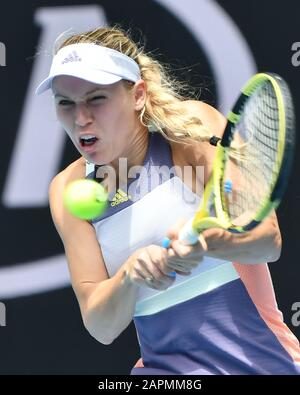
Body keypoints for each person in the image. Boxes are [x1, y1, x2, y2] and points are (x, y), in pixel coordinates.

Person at [36, 26, 300, 375]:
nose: (80, 118)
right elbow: (101, 326)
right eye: (65, 103)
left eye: (97, 98)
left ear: (138, 95)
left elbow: (267, 241)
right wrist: (131, 275)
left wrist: (204, 244)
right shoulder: (66, 188)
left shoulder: (188, 129)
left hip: (262, 363)